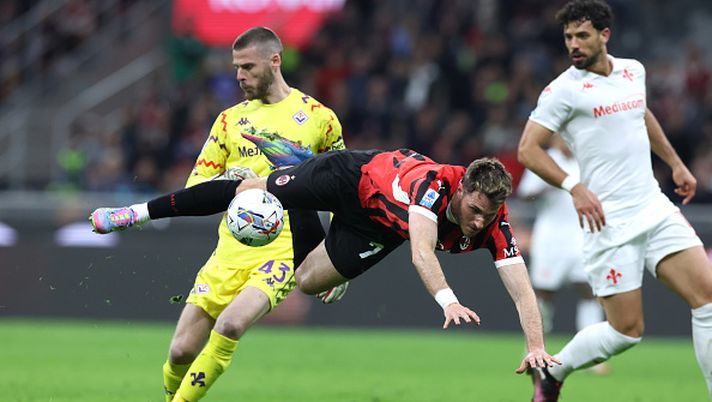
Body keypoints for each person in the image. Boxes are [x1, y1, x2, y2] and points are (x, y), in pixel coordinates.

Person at [91, 148, 561, 374]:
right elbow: (421, 250)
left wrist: (534, 345)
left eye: (489, 214)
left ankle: (291, 189)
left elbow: (519, 283)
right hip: (348, 178)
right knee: (249, 192)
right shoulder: (435, 185)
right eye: (474, 210)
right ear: (462, 189)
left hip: (375, 227)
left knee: (309, 281)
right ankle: (136, 212)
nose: (478, 223)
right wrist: (447, 301)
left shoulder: (495, 223)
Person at [92, 27, 346, 402]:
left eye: (247, 66)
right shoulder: (228, 121)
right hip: (230, 249)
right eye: (236, 68)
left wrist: (335, 262)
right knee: (180, 352)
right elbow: (198, 187)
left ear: (274, 61)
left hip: (283, 250)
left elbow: (342, 191)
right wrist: (233, 180)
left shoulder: (319, 118)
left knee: (230, 325)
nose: (239, 76)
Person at [517, 1, 712, 400]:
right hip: (608, 222)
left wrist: (675, 163)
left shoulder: (632, 70)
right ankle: (554, 372)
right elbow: (527, 150)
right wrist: (575, 186)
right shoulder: (563, 91)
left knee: (707, 298)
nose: (574, 43)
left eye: (582, 35)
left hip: (653, 208)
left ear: (605, 35)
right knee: (626, 333)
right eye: (569, 36)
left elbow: (642, 114)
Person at [518, 135, 609, 375]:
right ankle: (534, 350)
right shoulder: (545, 160)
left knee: (590, 293)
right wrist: (547, 184)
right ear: (556, 138)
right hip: (551, 241)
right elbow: (525, 193)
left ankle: (594, 356)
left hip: (582, 239)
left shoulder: (586, 161)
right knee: (544, 295)